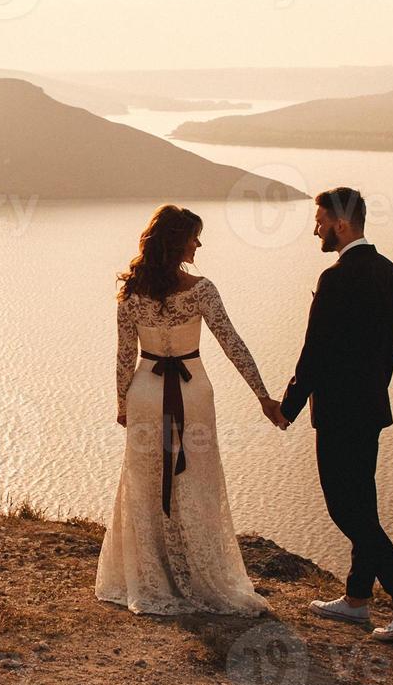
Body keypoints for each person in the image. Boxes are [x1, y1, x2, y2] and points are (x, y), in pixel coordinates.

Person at [95, 204, 284, 616]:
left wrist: (122, 403)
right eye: (194, 236)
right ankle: (196, 573)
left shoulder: (131, 293)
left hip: (146, 392)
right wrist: (263, 397)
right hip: (192, 391)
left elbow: (125, 356)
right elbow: (232, 344)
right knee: (195, 481)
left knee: (145, 483)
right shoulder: (201, 290)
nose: (199, 243)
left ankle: (151, 576)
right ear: (177, 241)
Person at [280, 187, 393, 641]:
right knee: (363, 505)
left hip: (339, 412)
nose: (315, 229)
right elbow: (391, 348)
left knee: (345, 509)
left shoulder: (337, 278)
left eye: (320, 221)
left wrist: (288, 407)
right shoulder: (391, 273)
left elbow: (316, 352)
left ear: (341, 225)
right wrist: (374, 391)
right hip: (371, 407)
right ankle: (356, 600)